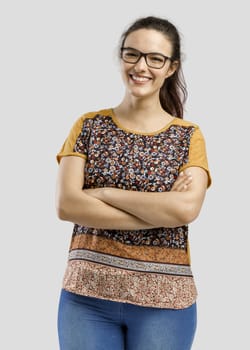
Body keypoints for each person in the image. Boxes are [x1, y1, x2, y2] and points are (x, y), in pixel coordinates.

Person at [55, 15, 211, 350]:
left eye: (155, 58)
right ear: (121, 56)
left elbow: (184, 209)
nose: (141, 66)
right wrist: (157, 212)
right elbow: (67, 204)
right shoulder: (88, 126)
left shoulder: (188, 137)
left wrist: (104, 194)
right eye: (132, 54)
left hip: (166, 305)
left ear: (171, 67)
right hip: (86, 298)